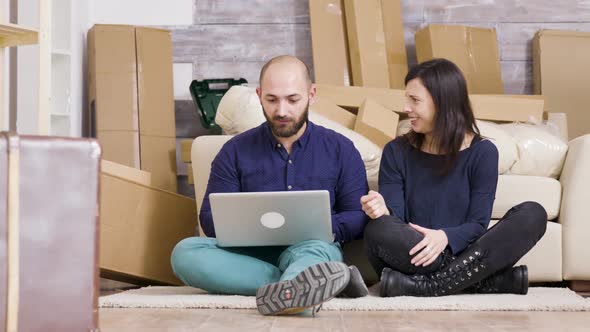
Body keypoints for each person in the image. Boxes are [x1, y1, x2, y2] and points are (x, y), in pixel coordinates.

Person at [171, 55, 369, 316]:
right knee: (185, 252)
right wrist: (240, 226)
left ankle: (296, 285)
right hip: (246, 256)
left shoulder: (341, 149)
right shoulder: (234, 151)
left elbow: (357, 216)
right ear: (259, 95)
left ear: (311, 94)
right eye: (272, 99)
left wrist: (323, 226)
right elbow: (208, 218)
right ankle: (305, 286)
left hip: (310, 249)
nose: (282, 111)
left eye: (293, 99)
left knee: (317, 253)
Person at [360, 58, 547, 297]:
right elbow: (397, 222)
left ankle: (429, 286)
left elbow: (477, 225)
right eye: (407, 99)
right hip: (420, 253)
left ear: (443, 103)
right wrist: (382, 211)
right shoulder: (396, 151)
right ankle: (481, 281)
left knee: (533, 213)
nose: (406, 108)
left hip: (465, 250)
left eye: (414, 100)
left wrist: (445, 236)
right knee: (379, 228)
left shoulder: (483, 153)